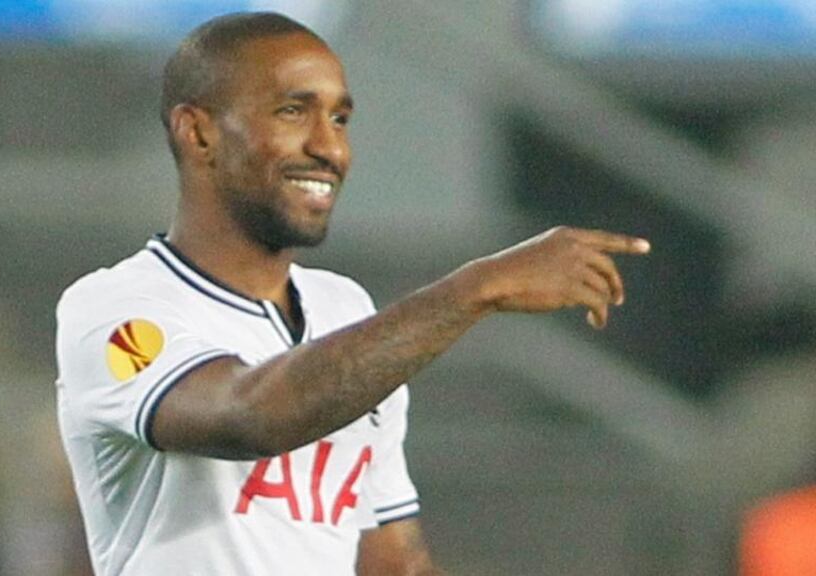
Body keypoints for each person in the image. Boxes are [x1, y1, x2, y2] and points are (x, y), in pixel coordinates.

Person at [54, 11, 651, 576]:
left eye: (340, 119)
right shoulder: (115, 310)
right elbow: (248, 417)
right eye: (294, 112)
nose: (331, 148)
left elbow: (393, 563)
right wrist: (478, 286)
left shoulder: (346, 311)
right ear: (199, 132)